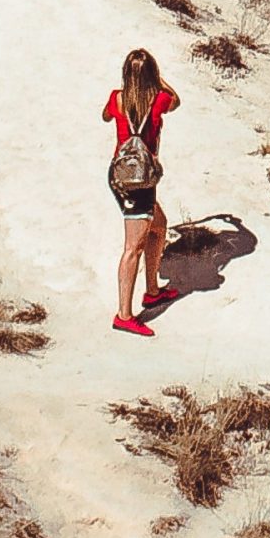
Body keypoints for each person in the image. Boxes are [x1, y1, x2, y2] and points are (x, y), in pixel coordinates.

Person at [103, 46, 179, 336]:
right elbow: (177, 100)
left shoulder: (117, 98)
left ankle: (151, 290)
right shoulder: (158, 99)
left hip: (120, 175)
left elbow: (105, 116)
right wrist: (158, 79)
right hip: (140, 180)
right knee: (133, 247)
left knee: (158, 227)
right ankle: (124, 314)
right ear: (152, 74)